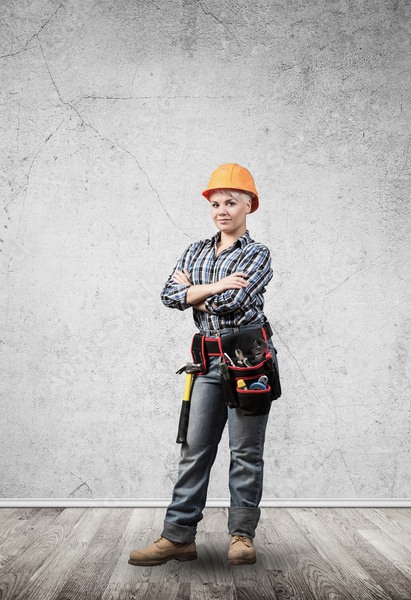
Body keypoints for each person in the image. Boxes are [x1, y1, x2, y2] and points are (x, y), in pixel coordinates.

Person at [129, 163, 278, 567]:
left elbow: (232, 303)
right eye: (216, 203)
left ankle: (241, 537)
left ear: (250, 205)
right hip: (207, 360)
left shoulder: (258, 254)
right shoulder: (195, 249)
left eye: (231, 202)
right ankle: (178, 537)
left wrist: (192, 291)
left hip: (248, 361)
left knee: (246, 450)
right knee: (195, 449)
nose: (222, 210)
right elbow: (167, 294)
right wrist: (214, 286)